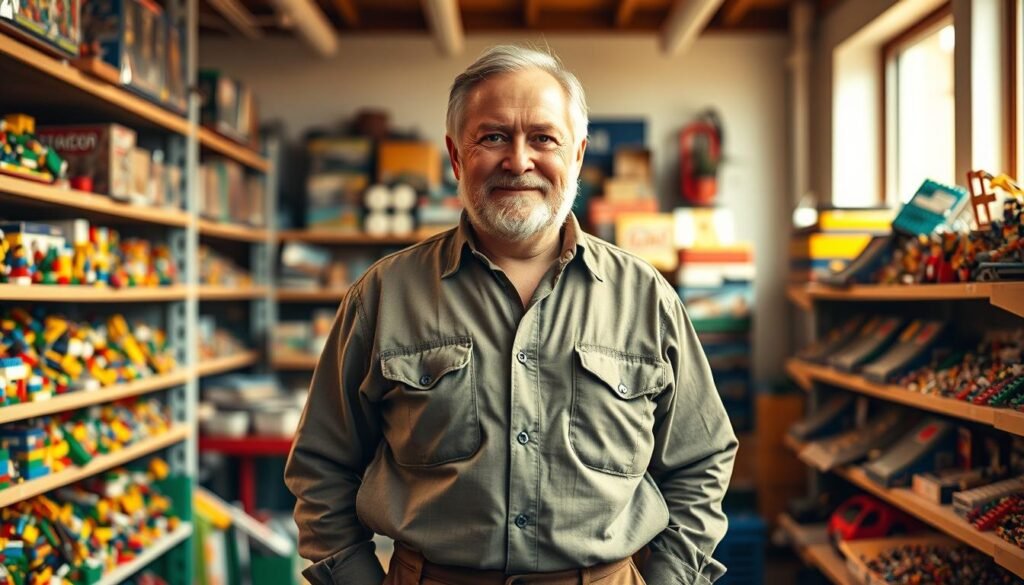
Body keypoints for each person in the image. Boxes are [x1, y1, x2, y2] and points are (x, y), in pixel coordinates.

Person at [285, 44, 738, 585]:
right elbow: (320, 467)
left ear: (577, 156)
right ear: (456, 157)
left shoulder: (647, 299)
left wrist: (670, 579)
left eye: (543, 138)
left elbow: (701, 461)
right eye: (493, 136)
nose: (518, 160)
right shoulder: (383, 295)